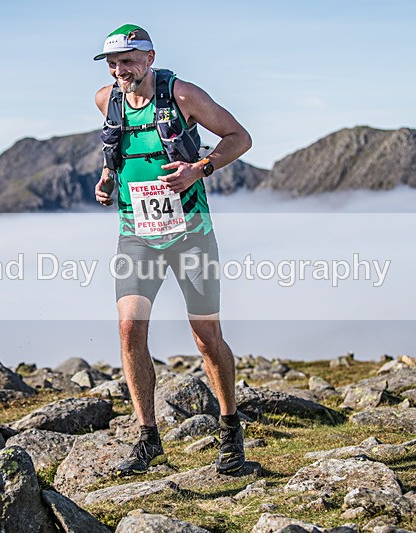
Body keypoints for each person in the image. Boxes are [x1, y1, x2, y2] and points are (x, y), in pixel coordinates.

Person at [93, 24, 252, 476]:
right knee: (130, 330)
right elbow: (117, 151)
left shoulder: (182, 95)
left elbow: (240, 138)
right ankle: (147, 440)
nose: (121, 70)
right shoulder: (107, 100)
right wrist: (107, 179)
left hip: (190, 232)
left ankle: (230, 428)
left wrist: (198, 169)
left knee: (206, 337)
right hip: (136, 233)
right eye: (113, 63)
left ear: (149, 57)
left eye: (128, 61)